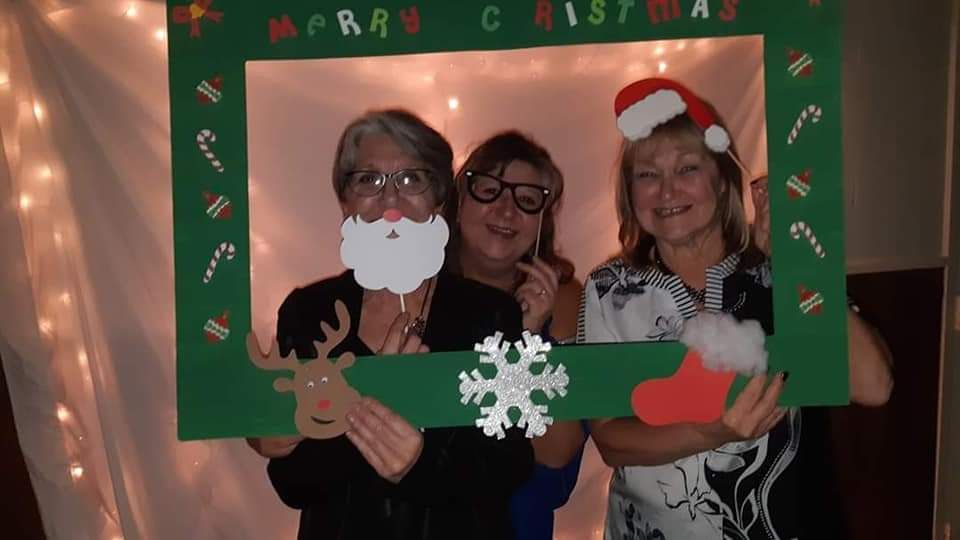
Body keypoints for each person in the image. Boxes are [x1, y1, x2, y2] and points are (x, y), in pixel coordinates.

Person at [579, 78, 894, 538]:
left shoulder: (777, 271)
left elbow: (874, 384)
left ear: (722, 181)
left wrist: (790, 264)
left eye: (687, 168)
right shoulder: (608, 289)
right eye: (647, 174)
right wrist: (707, 434)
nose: (667, 191)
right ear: (630, 193)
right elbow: (610, 439)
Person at [247, 109, 534, 539]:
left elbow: (510, 465)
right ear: (345, 201)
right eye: (368, 180)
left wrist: (419, 465)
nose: (390, 200)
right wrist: (373, 403)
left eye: (411, 179)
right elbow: (292, 483)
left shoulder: (491, 313)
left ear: (438, 198)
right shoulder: (309, 311)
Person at [443, 131, 586, 539]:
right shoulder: (418, 295)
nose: (506, 210)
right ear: (459, 203)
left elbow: (555, 454)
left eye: (526, 199)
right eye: (489, 190)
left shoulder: (564, 301)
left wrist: (528, 337)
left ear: (543, 220)